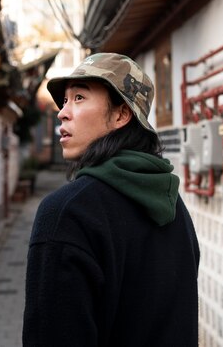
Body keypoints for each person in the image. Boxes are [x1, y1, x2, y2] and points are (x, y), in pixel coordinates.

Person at [23, 53, 200, 347]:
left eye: (79, 97)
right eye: (64, 101)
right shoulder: (173, 206)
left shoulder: (67, 213)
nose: (62, 113)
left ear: (120, 115)